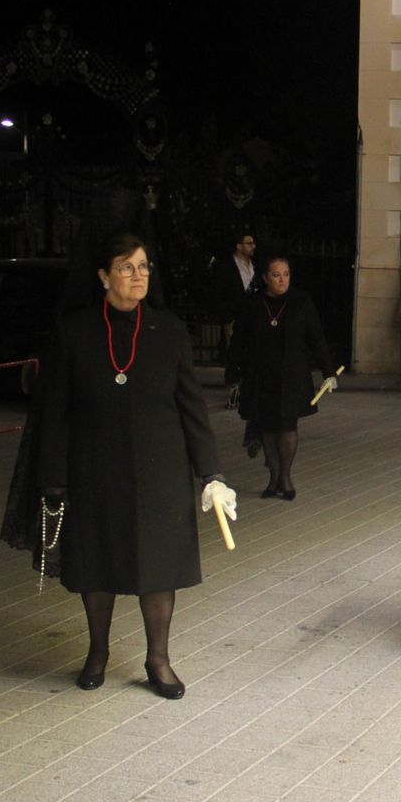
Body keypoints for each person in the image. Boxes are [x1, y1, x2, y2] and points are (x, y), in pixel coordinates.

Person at [36, 231, 235, 700]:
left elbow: (191, 406)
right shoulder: (75, 331)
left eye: (143, 266)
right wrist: (53, 476)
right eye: (126, 267)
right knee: (97, 563)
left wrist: (212, 474)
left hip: (160, 471)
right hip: (95, 467)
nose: (138, 275)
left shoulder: (169, 330)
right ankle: (98, 651)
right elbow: (55, 411)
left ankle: (158, 659)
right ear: (104, 276)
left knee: (158, 566)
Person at [230, 254, 339, 501]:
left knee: (288, 425)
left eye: (286, 274)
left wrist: (329, 372)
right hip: (261, 375)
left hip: (292, 375)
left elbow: (316, 337)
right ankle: (273, 478)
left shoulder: (301, 301)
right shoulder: (253, 303)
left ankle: (285, 477)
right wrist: (233, 373)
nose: (282, 280)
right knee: (267, 427)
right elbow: (239, 340)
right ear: (265, 278)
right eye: (276, 275)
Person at [212, 232, 259, 401]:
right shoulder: (226, 267)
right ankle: (234, 383)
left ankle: (247, 383)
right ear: (239, 246)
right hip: (234, 316)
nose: (253, 246)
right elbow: (219, 292)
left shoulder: (254, 266)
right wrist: (227, 315)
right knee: (234, 350)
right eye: (249, 243)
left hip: (252, 316)